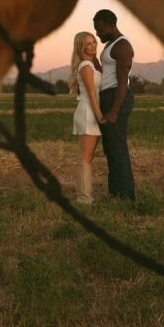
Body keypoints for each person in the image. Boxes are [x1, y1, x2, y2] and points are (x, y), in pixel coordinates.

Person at [93, 9, 136, 200]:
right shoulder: (110, 45)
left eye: (100, 29)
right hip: (108, 95)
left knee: (117, 147)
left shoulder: (122, 46)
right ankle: (115, 193)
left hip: (117, 98)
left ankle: (125, 197)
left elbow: (121, 82)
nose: (98, 33)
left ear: (111, 24)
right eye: (96, 30)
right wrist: (93, 61)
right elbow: (107, 75)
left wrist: (114, 111)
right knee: (110, 148)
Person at [68, 31, 105, 204]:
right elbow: (91, 93)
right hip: (88, 112)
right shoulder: (85, 66)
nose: (93, 46)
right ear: (81, 47)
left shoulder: (92, 64)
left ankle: (85, 195)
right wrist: (99, 116)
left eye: (94, 42)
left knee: (88, 157)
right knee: (85, 157)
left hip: (92, 111)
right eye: (88, 43)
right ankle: (83, 197)